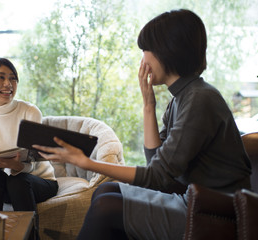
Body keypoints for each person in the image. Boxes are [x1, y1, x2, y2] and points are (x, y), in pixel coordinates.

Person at [32, 9, 251, 240]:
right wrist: (148, 105)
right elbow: (156, 165)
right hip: (194, 200)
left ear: (168, 51)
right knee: (106, 190)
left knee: (106, 207)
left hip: (218, 212)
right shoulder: (181, 98)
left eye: (146, 50)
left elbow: (156, 177)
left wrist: (87, 162)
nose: (143, 59)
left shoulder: (200, 99)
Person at [0, 57, 58, 217]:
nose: (8, 84)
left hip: (41, 181)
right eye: (1, 77)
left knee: (18, 181)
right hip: (8, 183)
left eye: (13, 78)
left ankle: (30, 236)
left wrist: (16, 165)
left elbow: (33, 165)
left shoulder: (30, 112)